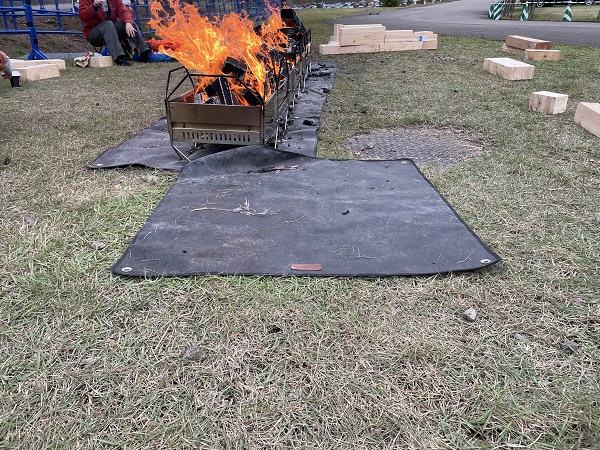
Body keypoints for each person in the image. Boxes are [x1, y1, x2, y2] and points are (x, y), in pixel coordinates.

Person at [79, 0, 150, 66]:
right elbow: (83, 16)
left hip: (111, 31)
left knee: (129, 23)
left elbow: (123, 10)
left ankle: (144, 52)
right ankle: (119, 57)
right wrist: (94, 6)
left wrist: (128, 22)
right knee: (108, 24)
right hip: (93, 33)